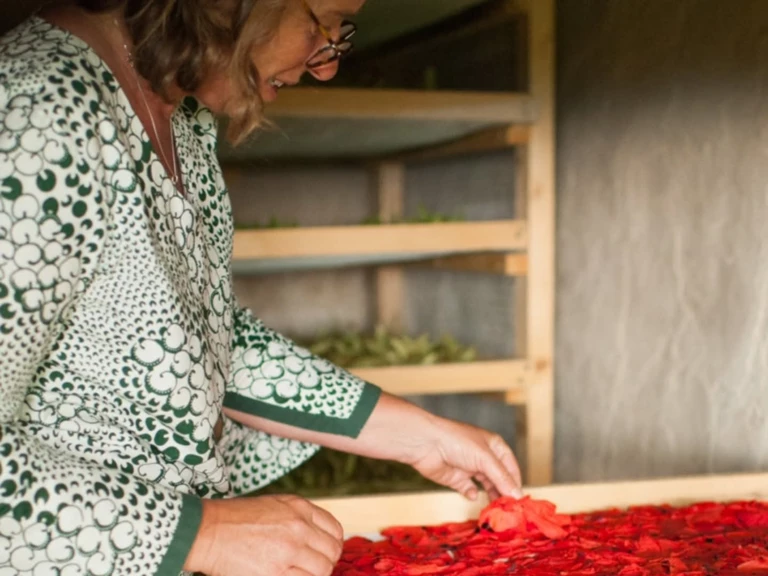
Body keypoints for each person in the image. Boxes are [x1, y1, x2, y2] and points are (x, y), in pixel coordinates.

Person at [0, 1, 524, 575]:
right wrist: (205, 534)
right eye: (323, 20)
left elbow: (196, 336)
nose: (328, 63)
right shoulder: (36, 115)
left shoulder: (180, 113)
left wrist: (419, 435)